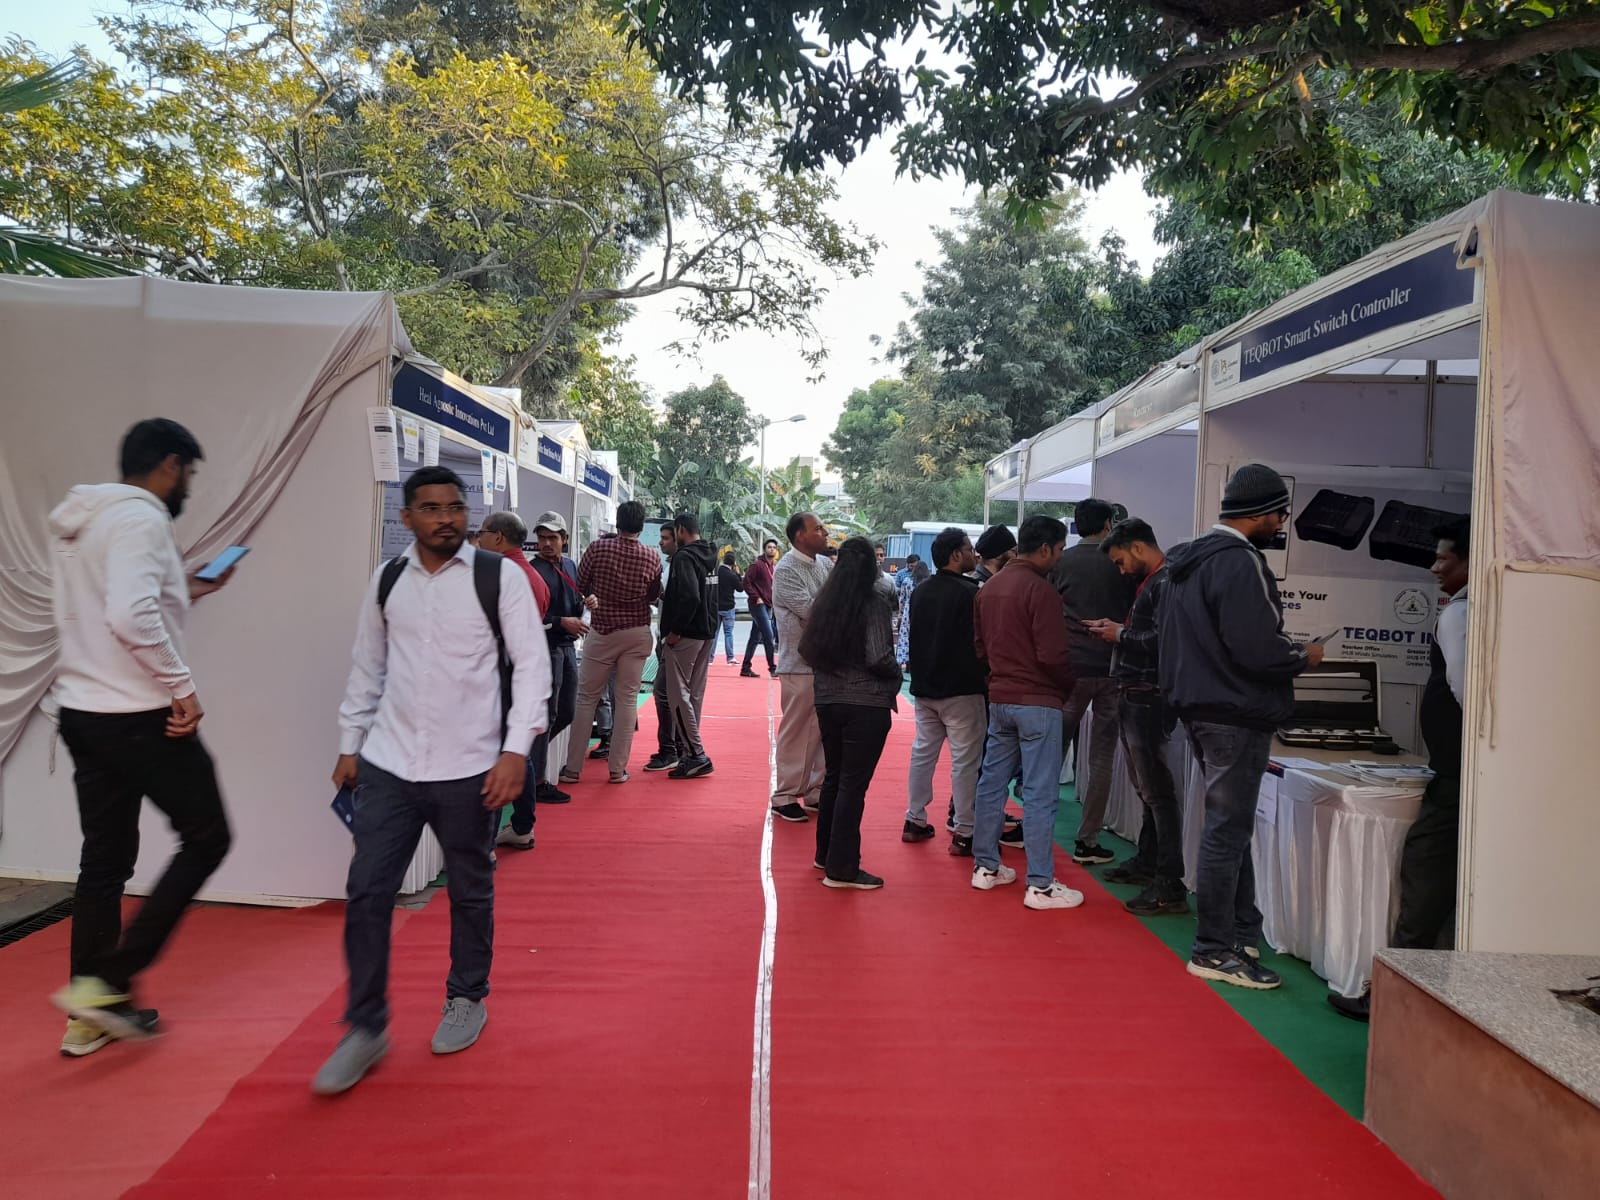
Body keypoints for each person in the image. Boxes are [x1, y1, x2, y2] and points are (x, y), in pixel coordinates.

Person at [316, 465, 550, 1094]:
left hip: (470, 767)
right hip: (390, 764)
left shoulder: (497, 578)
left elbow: (532, 667)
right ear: (407, 518)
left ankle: (467, 996)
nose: (445, 518)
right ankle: (365, 1025)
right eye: (431, 508)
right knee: (368, 891)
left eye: (454, 507)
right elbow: (367, 667)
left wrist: (515, 752)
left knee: (469, 888)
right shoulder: (388, 580)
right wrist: (349, 743)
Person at [48, 418, 234, 1056]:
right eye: (189, 473)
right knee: (208, 836)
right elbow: (129, 615)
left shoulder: (86, 521)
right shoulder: (142, 518)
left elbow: (116, 605)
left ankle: (89, 1016)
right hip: (138, 715)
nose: (188, 488)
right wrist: (182, 685)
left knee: (103, 860)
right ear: (170, 465)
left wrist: (189, 589)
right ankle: (107, 982)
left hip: (83, 711)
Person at [1159, 463, 1323, 991]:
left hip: (1201, 709)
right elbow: (1257, 649)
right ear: (1264, 513)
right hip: (1235, 712)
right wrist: (1302, 656)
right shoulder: (1239, 561)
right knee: (1227, 833)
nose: (1280, 525)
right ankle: (1213, 949)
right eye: (1280, 516)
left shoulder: (1187, 561)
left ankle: (1239, 934)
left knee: (1229, 831)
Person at [1330, 518, 1471, 1022]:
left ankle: (1395, 1002)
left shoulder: (1460, 615)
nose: (1434, 567)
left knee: (1425, 882)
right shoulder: (1474, 609)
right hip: (1462, 775)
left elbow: (1466, 692)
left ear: (1471, 561)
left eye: (1444, 558)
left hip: (1458, 779)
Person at [970, 516, 1082, 910]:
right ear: (1047, 548)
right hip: (1038, 701)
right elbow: (1052, 654)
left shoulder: (989, 588)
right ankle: (1041, 884)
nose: (1061, 557)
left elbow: (980, 648)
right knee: (1039, 793)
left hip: (1001, 697)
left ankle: (986, 866)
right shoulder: (1041, 590)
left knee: (991, 784)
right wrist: (1065, 687)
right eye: (1061, 549)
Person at [1084, 519, 1187, 915]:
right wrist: (1118, 631)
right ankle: (1150, 862)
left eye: (1121, 560)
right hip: (1137, 692)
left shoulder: (1165, 583)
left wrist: (1120, 635)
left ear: (1139, 548)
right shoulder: (1154, 582)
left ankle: (1169, 881)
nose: (1121, 569)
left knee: (1157, 791)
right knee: (1149, 789)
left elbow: (1167, 641)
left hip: (1148, 695)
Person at [802, 537, 901, 889]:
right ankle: (842, 868)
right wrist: (898, 672)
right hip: (866, 704)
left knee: (835, 778)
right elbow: (878, 656)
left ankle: (825, 853)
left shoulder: (823, 603)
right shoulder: (873, 604)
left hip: (828, 699)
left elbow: (806, 649)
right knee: (852, 785)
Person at [1051, 498, 1138, 867]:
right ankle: (1087, 841)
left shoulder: (1062, 561)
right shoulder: (1122, 562)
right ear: (1107, 524)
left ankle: (1034, 828)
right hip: (1113, 669)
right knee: (1102, 756)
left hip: (1071, 669)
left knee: (1051, 753)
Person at [558, 500, 662, 786]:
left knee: (586, 698)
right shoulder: (652, 556)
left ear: (618, 522)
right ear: (641, 526)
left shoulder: (597, 549)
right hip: (636, 632)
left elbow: (580, 585)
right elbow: (654, 595)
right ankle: (617, 770)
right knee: (627, 699)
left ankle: (572, 769)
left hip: (602, 631)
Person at [904, 527, 987, 856]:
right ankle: (965, 830)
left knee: (923, 754)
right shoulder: (972, 593)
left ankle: (915, 818)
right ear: (956, 555)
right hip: (963, 688)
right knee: (965, 762)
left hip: (925, 687)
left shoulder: (921, 591)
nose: (974, 554)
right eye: (969, 548)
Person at [502, 513, 582, 840]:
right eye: (542, 537)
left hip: (566, 646)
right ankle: (534, 779)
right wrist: (561, 621)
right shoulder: (531, 570)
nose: (547, 543)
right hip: (545, 646)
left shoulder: (570, 566)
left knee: (567, 712)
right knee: (544, 716)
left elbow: (574, 602)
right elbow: (533, 613)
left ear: (564, 539)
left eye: (553, 537)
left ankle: (529, 764)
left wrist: (583, 606)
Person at [770, 512, 833, 821]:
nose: (825, 532)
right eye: (817, 528)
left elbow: (834, 604)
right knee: (797, 731)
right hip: (798, 663)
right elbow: (813, 611)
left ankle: (815, 790)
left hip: (825, 663)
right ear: (799, 536)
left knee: (821, 732)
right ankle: (784, 795)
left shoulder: (825, 565)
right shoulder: (786, 570)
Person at [658, 511, 719, 779]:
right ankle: (689, 751)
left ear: (681, 530)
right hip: (707, 631)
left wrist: (675, 631)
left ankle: (695, 754)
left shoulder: (684, 557)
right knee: (693, 694)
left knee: (678, 695)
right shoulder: (711, 554)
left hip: (687, 634)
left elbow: (691, 596)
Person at [646, 523, 688, 771]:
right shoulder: (670, 565)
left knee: (663, 693)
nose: (661, 542)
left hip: (674, 639)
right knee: (668, 694)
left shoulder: (681, 566)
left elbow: (686, 600)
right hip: (665, 636)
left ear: (678, 538)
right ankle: (676, 747)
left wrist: (675, 633)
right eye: (660, 538)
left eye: (665, 538)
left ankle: (671, 749)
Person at [741, 538, 779, 677]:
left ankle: (745, 668)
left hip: (768, 604)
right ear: (764, 549)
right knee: (769, 636)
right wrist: (756, 597)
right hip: (758, 605)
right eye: (769, 547)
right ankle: (772, 668)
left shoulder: (773, 566)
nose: (772, 549)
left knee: (754, 637)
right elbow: (746, 582)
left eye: (774, 547)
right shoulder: (757, 565)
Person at [716, 550, 744, 664]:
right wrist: (737, 574)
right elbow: (740, 588)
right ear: (733, 563)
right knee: (728, 633)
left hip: (716, 606)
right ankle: (730, 657)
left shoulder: (716, 572)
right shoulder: (732, 575)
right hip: (728, 607)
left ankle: (710, 658)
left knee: (714, 633)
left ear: (723, 560)